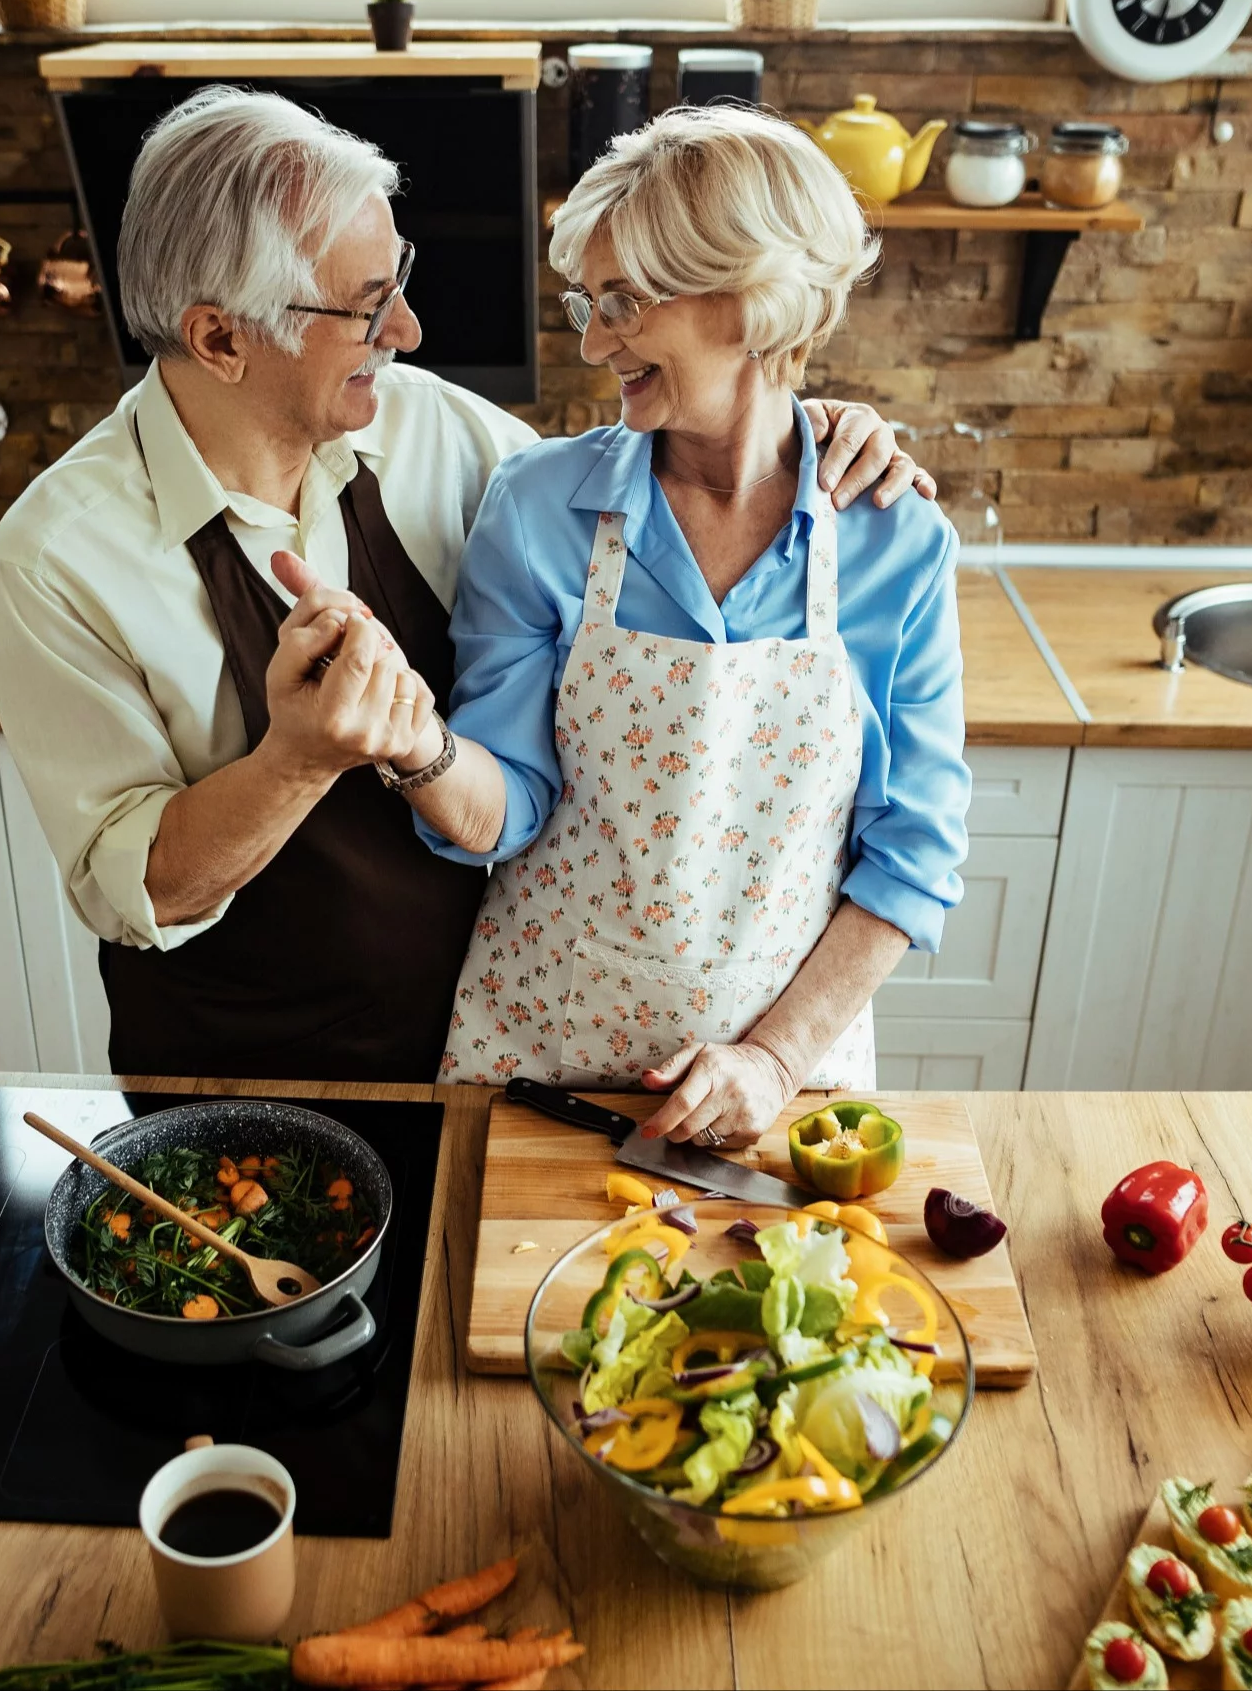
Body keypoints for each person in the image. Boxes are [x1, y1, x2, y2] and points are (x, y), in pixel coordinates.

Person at [0, 87, 932, 1084]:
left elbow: (660, 461)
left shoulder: (444, 436)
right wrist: (297, 761)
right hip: (240, 1076)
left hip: (491, 1042)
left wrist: (799, 422)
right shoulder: (57, 561)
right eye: (363, 306)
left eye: (398, 277)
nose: (410, 326)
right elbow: (139, 888)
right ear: (220, 339)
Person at [404, 108, 972, 1150]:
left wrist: (774, 1059)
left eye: (621, 302)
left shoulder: (894, 542)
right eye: (589, 301)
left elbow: (915, 852)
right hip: (544, 1066)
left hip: (781, 1096)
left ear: (752, 298)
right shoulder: (539, 509)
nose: (589, 341)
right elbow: (511, 805)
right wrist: (414, 749)